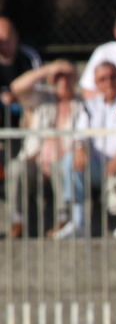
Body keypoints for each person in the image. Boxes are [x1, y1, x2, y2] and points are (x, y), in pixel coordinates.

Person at [58, 62, 116, 239]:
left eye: (112, 77)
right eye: (103, 79)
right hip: (99, 166)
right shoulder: (89, 106)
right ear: (96, 83)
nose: (109, 82)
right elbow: (80, 136)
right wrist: (79, 148)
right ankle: (78, 222)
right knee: (71, 159)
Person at [5, 60, 83, 238]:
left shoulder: (81, 104)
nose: (62, 81)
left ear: (75, 79)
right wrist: (49, 68)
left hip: (62, 162)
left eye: (67, 76)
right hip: (35, 161)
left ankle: (63, 219)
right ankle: (17, 221)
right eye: (58, 77)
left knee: (62, 164)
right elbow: (16, 87)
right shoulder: (42, 98)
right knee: (16, 167)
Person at [0, 16, 41, 131]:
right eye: (1, 42)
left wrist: (17, 97)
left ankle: (32, 146)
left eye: (8, 40)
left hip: (24, 103)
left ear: (16, 37)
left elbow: (39, 88)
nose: (4, 46)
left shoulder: (29, 56)